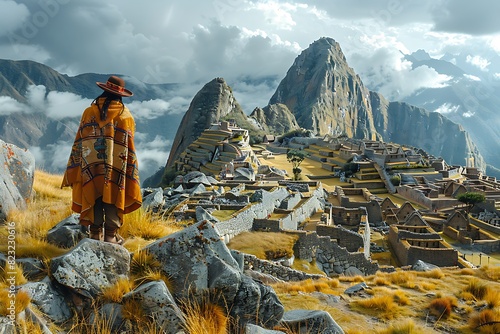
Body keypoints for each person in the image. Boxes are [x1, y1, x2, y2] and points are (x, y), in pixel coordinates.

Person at [62, 76, 142, 244]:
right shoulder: (125, 116)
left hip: (91, 164)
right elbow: (128, 147)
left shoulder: (89, 112)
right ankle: (111, 236)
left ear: (104, 90)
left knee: (93, 190)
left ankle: (94, 233)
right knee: (113, 192)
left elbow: (81, 139)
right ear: (120, 95)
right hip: (115, 166)